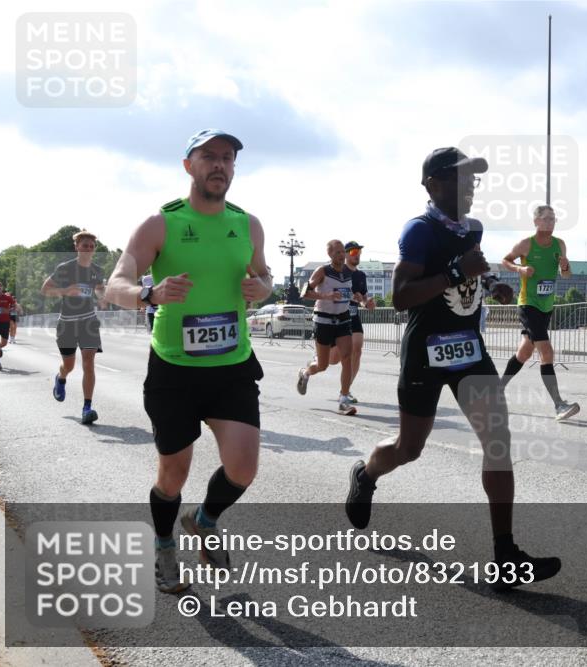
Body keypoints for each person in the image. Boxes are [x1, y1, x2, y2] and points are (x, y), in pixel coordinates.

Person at [344, 146, 557, 591]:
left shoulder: (472, 228)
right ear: (432, 184)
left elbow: (472, 277)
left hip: (468, 349)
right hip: (426, 350)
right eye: (461, 180)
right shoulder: (419, 231)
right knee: (409, 447)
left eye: (473, 181)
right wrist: (456, 271)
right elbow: (401, 296)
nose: (470, 189)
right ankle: (365, 475)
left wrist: (492, 284)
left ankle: (505, 556)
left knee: (498, 440)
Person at [104, 129, 272, 594]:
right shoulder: (161, 223)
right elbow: (115, 283)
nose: (220, 165)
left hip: (232, 365)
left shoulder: (248, 224)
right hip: (174, 370)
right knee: (173, 472)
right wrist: (148, 293)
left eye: (228, 158)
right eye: (209, 157)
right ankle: (163, 545)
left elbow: (264, 275)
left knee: (243, 469)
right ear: (189, 166)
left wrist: (264, 288)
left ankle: (203, 519)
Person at [498, 204, 580, 421]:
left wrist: (565, 266)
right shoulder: (526, 244)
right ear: (536, 222)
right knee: (547, 351)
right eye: (546, 219)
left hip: (546, 306)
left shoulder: (559, 245)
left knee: (524, 352)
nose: (550, 223)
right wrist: (520, 269)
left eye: (553, 219)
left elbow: (567, 276)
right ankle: (559, 405)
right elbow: (504, 261)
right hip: (528, 304)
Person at [41, 231, 107, 423]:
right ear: (77, 247)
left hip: (89, 321)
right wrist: (65, 291)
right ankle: (61, 378)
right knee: (69, 365)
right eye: (85, 245)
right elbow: (45, 289)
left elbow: (98, 288)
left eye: (91, 246)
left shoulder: (97, 269)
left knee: (88, 361)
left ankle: (87, 407)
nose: (88, 248)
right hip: (67, 323)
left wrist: (103, 298)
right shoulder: (65, 268)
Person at [296, 239, 358, 416]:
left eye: (342, 252)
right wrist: (326, 296)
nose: (341, 255)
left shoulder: (347, 273)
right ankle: (305, 372)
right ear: (330, 254)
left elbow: (348, 294)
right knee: (323, 365)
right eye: (337, 252)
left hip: (343, 319)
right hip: (323, 320)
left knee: (347, 356)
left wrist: (361, 300)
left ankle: (343, 399)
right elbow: (304, 293)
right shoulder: (322, 271)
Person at [328, 241, 375, 404]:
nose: (357, 255)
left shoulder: (361, 275)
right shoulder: (337, 271)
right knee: (332, 360)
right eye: (354, 252)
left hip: (353, 316)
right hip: (336, 316)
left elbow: (363, 297)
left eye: (359, 252)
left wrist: (367, 303)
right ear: (346, 254)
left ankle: (345, 391)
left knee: (357, 349)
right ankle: (314, 362)